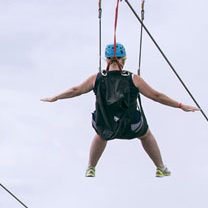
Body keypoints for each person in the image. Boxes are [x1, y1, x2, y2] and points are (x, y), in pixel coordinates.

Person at [41, 42, 199, 177]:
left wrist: (56, 97)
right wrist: (180, 105)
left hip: (106, 126)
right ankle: (160, 167)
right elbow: (156, 96)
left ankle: (91, 167)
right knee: (146, 135)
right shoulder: (132, 78)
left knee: (101, 136)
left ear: (106, 60)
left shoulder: (97, 78)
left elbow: (76, 90)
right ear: (123, 60)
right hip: (132, 125)